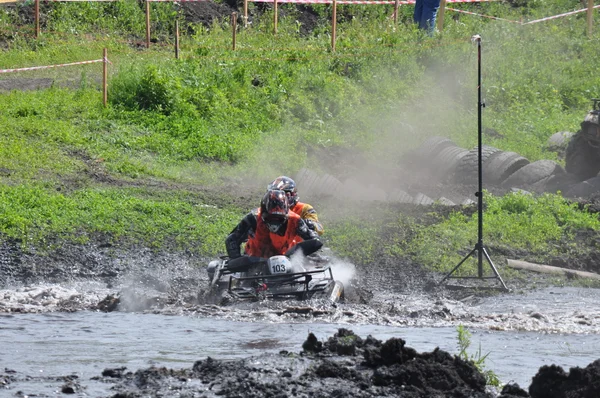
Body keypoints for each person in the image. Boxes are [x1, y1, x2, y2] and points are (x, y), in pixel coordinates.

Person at [225, 189, 319, 259]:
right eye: (270, 218)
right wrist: (236, 259)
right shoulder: (253, 218)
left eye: (279, 219)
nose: (274, 223)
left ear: (286, 215)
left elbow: (312, 238)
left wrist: (304, 251)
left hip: (287, 262)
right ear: (263, 213)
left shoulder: (295, 220)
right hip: (254, 262)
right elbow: (232, 239)